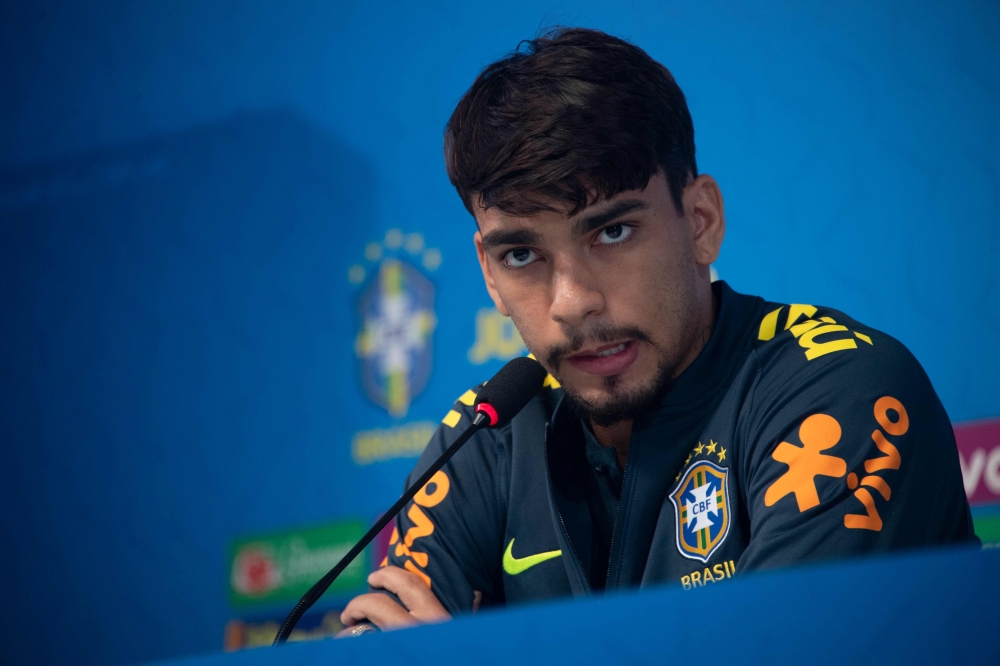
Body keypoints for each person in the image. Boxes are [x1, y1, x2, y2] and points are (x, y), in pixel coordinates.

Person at [338, 27, 977, 634]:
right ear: (488, 274)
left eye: (611, 232)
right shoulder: (488, 439)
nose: (572, 303)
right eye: (522, 255)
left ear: (700, 220)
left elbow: (785, 651)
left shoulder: (840, 388)